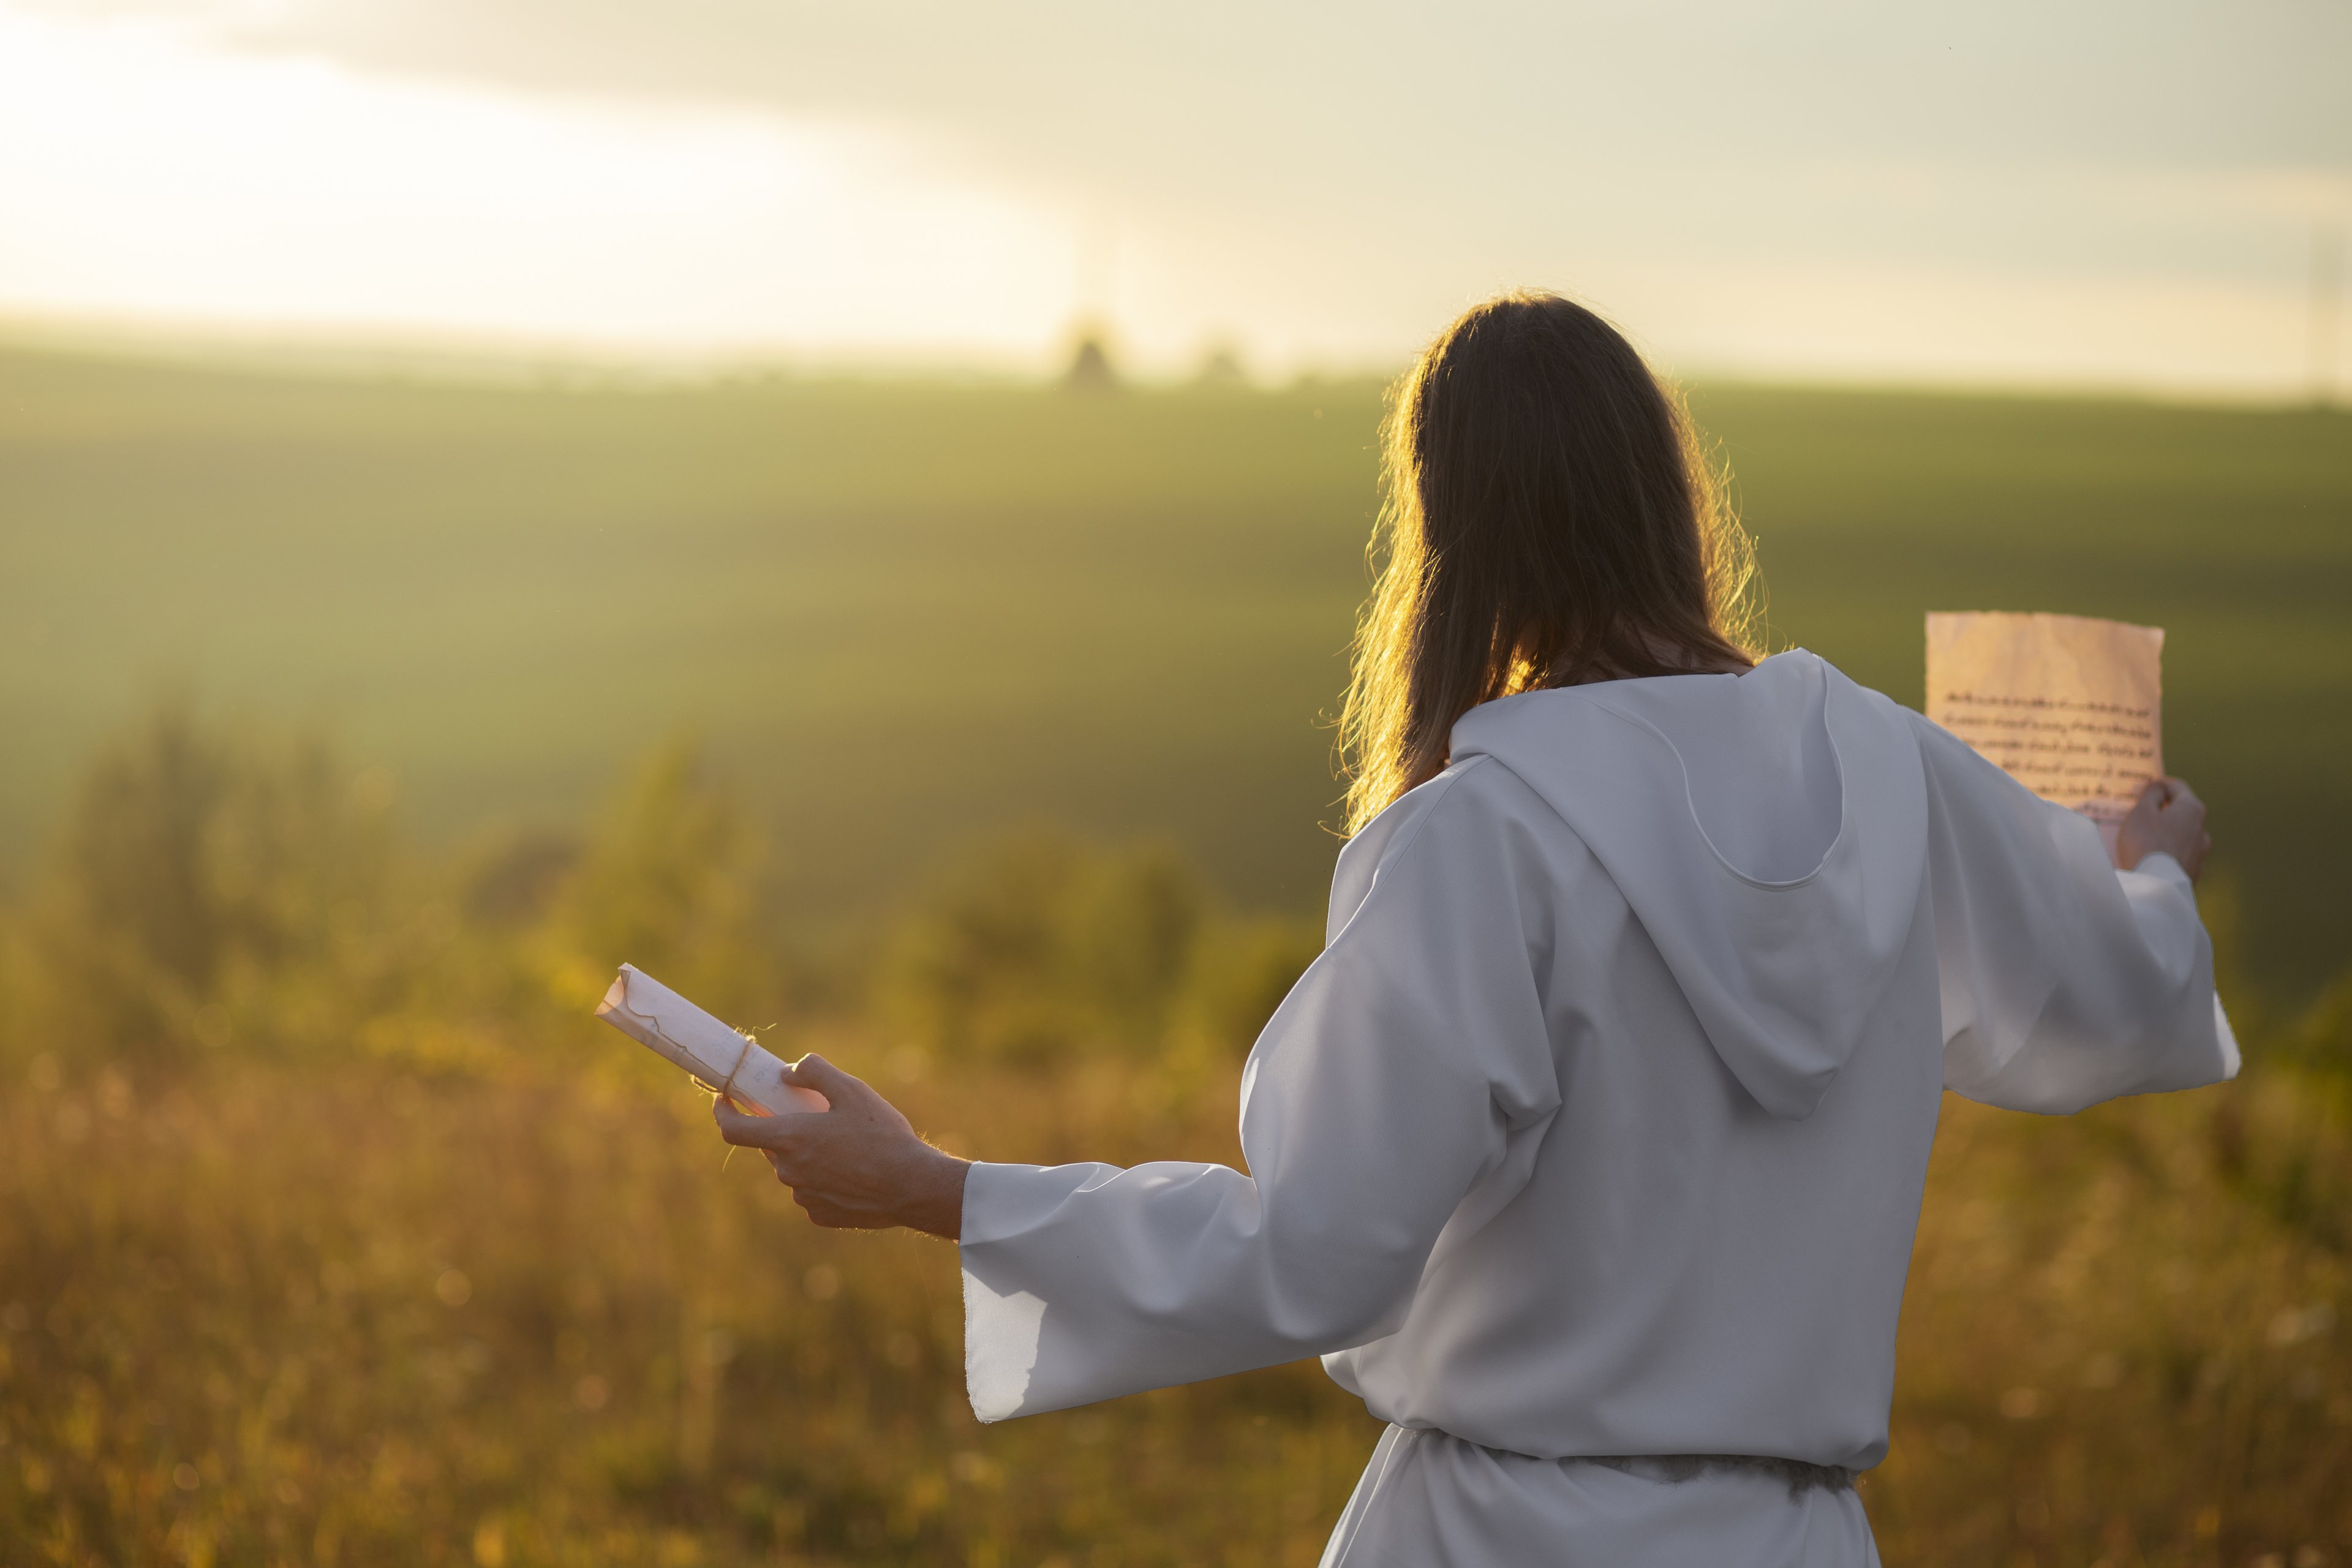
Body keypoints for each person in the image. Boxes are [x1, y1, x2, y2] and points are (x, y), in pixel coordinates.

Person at [715, 292, 2234, 1566]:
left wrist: (938, 1188)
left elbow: (1311, 1253)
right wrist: (2147, 867)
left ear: (1450, 530)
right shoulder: (1896, 774)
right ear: (1663, 495)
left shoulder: (1480, 839)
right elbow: (2121, 984)